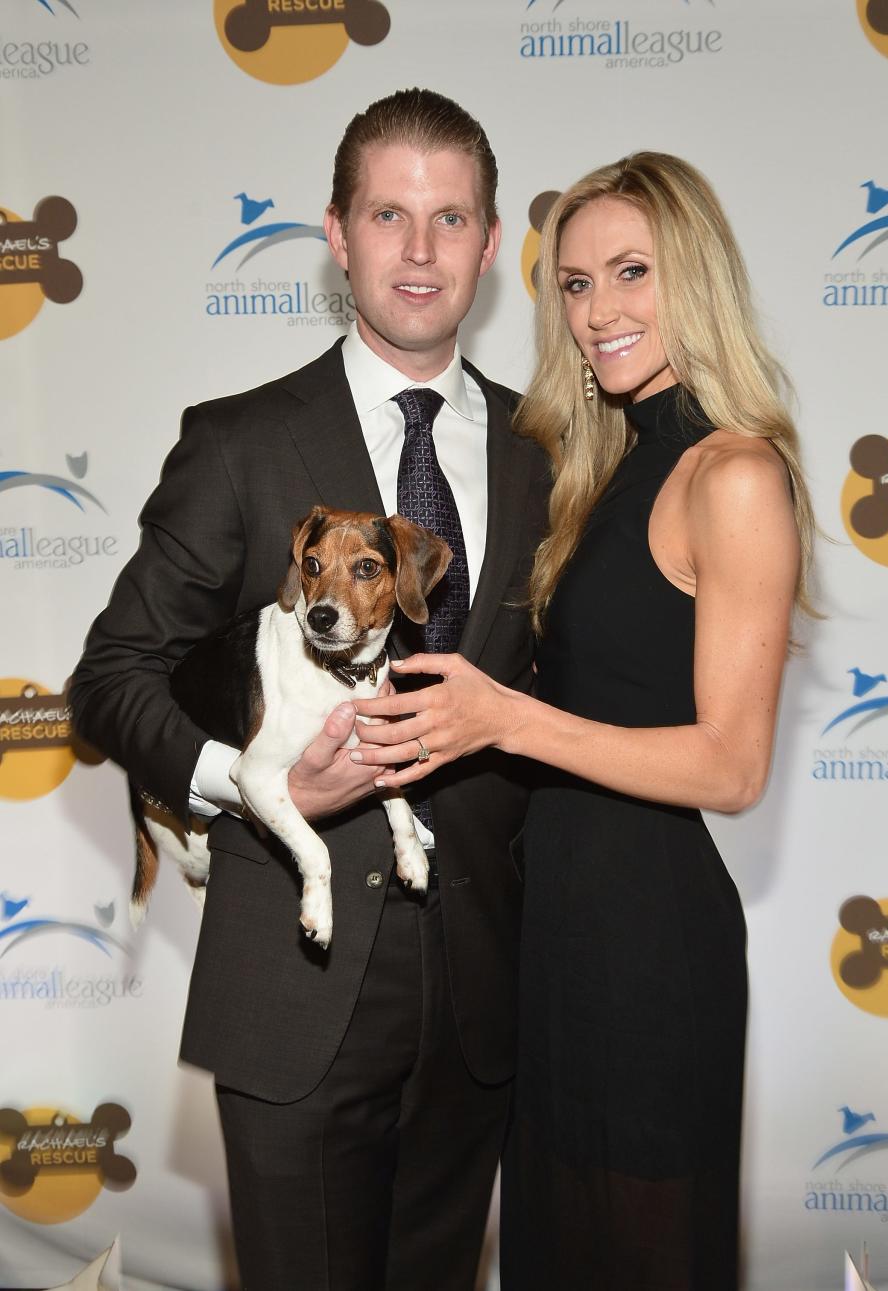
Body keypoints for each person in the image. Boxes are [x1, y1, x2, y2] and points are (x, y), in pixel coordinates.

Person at [69, 88, 549, 1291]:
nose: (422, 249)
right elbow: (109, 681)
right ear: (338, 233)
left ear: (493, 245)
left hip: (484, 996)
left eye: (452, 218)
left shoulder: (550, 455)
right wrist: (248, 779)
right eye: (390, 213)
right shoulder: (238, 443)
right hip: (297, 984)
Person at [350, 151, 815, 1290]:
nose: (598, 311)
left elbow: (734, 762)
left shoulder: (735, 474)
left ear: (693, 276)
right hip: (556, 947)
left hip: (651, 952)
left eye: (630, 272)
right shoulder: (602, 469)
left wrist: (504, 717)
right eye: (571, 283)